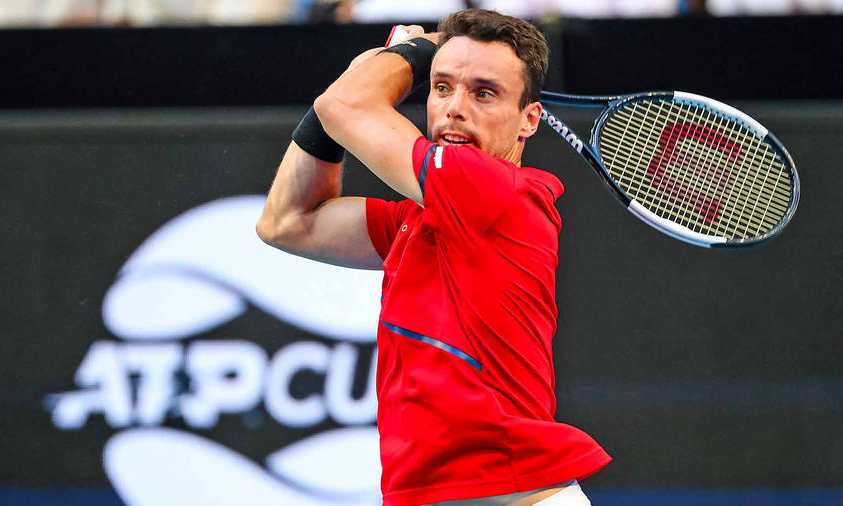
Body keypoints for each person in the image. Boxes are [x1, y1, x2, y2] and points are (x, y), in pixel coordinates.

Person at [257, 9, 611, 505]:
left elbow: (346, 107)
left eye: (483, 93)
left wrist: (410, 54)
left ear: (529, 119)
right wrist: (360, 79)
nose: (454, 109)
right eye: (441, 87)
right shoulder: (414, 218)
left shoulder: (496, 191)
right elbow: (288, 222)